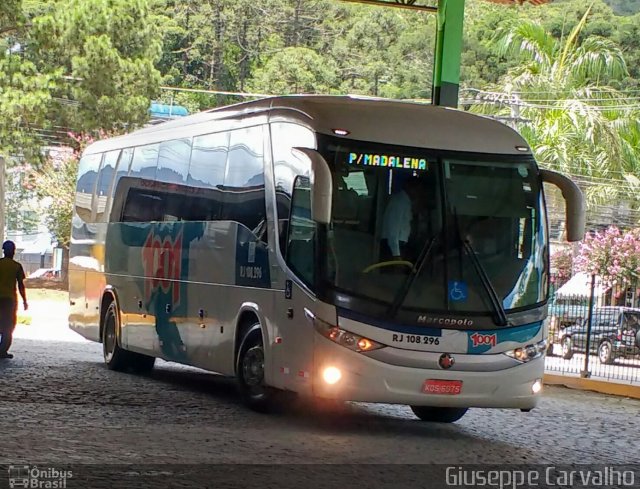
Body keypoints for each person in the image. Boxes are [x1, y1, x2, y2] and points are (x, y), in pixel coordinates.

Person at [380, 177, 422, 262]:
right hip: (394, 246)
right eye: (416, 188)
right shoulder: (399, 202)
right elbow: (392, 231)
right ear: (409, 187)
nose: (418, 192)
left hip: (398, 245)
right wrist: (396, 255)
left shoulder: (407, 202)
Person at [0, 240, 28, 359]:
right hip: (9, 300)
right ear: (13, 251)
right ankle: (2, 351)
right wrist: (24, 300)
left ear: (4, 251)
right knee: (8, 326)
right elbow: (21, 285)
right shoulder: (17, 266)